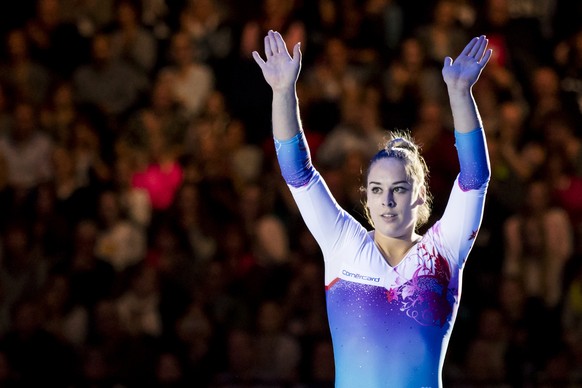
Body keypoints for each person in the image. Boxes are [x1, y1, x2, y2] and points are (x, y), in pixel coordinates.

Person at [252, 30, 491, 387]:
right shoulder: (343, 243)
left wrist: (459, 94)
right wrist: (283, 92)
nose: (387, 201)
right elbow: (297, 172)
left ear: (421, 196)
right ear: (366, 198)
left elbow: (475, 176)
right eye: (377, 190)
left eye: (399, 189)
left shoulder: (443, 249)